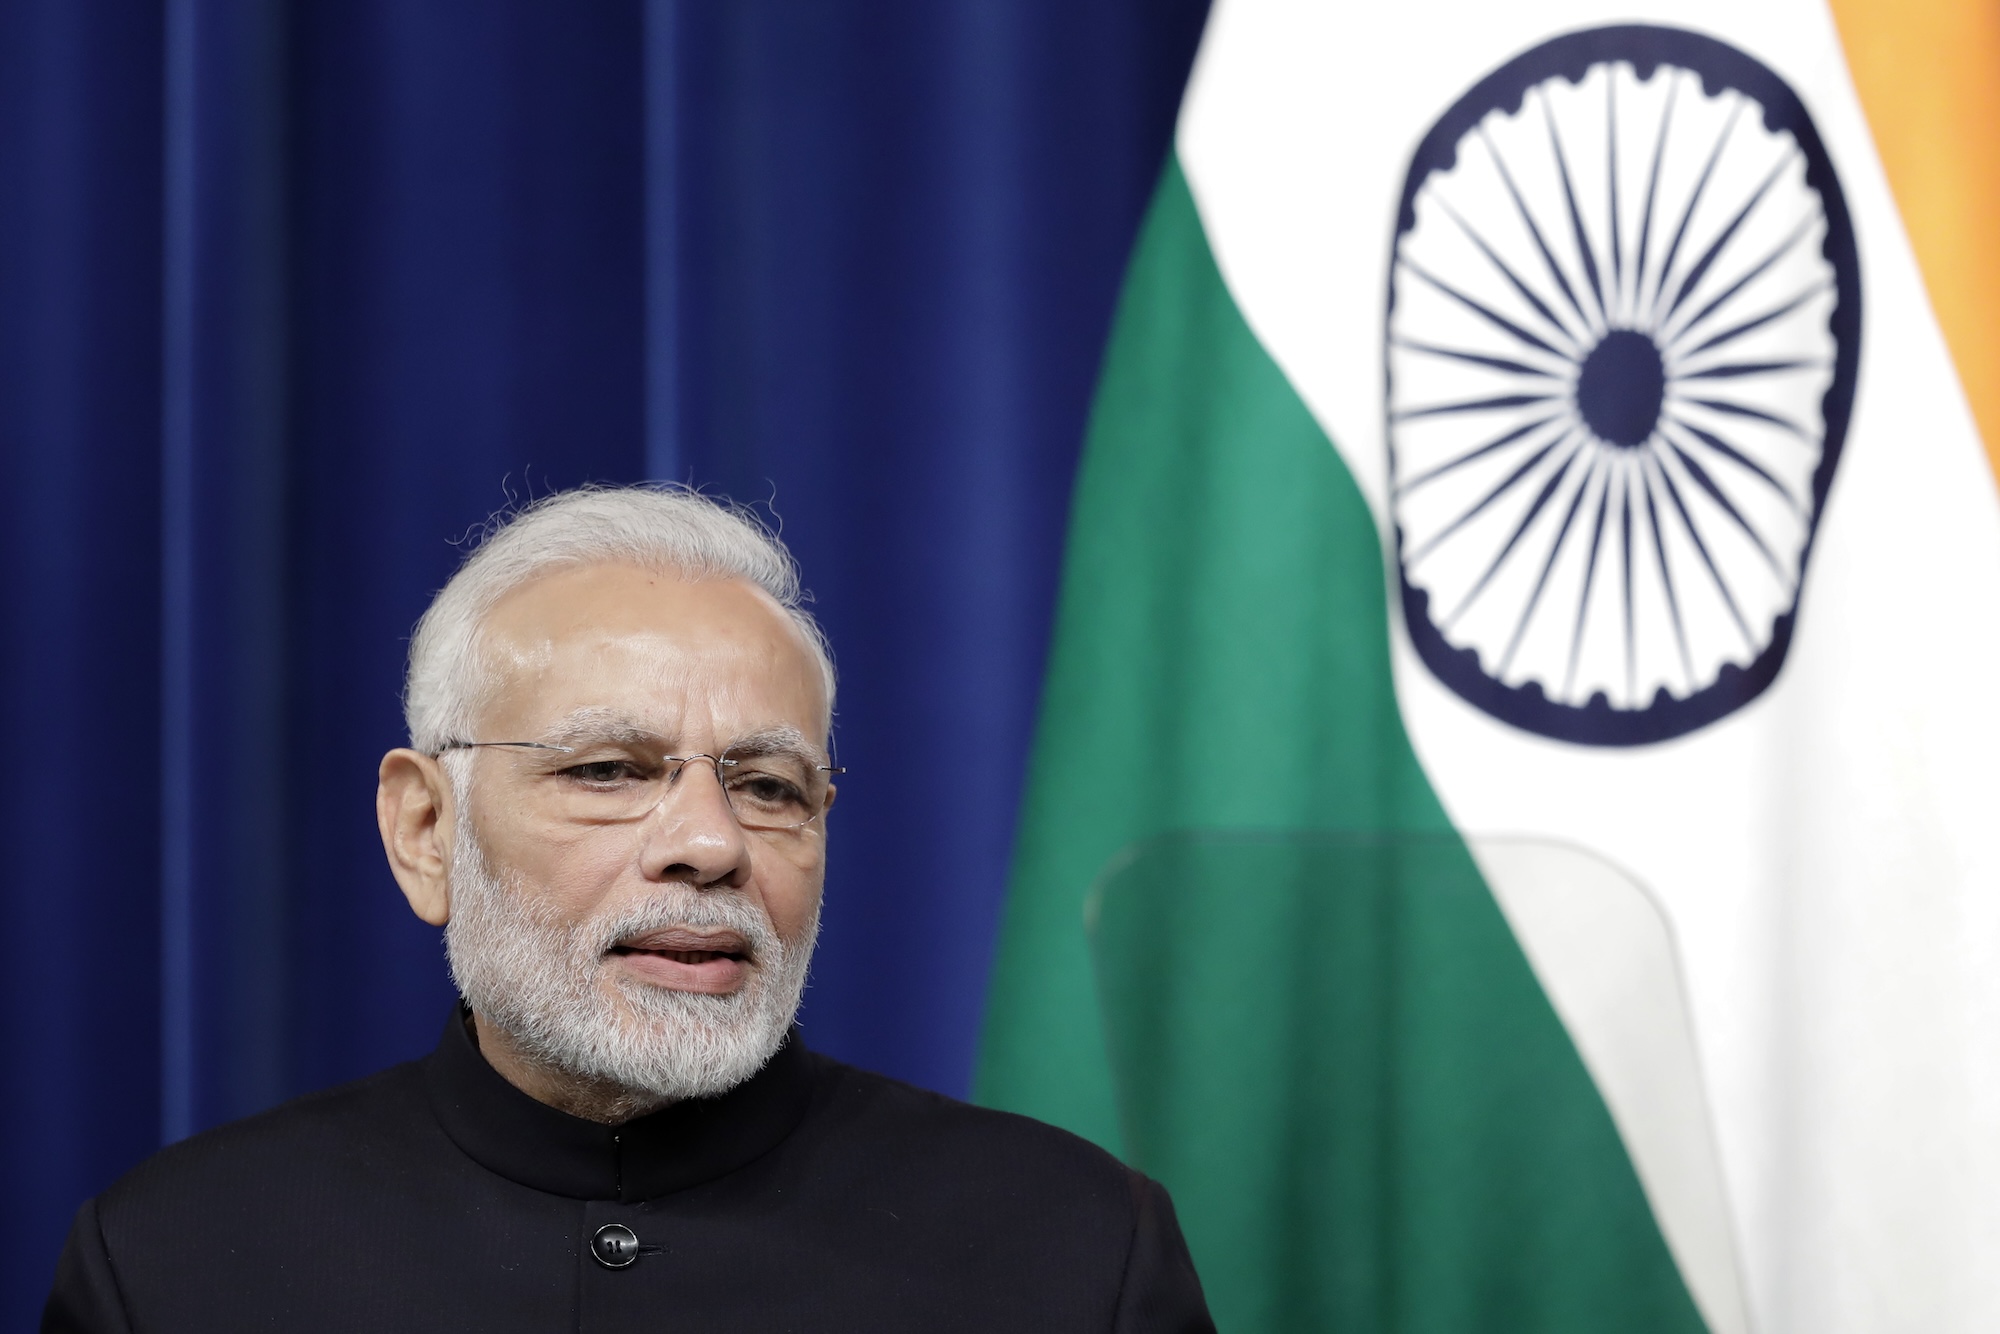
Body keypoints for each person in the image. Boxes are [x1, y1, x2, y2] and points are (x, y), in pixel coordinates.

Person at [42, 486, 1213, 1333]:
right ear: (426, 829)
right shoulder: (172, 1264)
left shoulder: (1074, 1253)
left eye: (768, 785)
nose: (710, 844)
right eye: (607, 770)